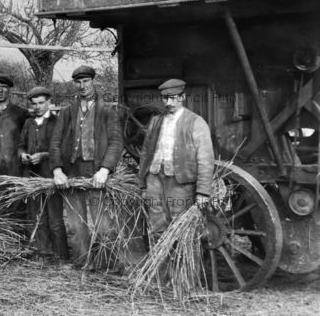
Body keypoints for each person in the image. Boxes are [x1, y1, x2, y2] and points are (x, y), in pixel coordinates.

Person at [49, 65, 123, 268]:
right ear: (75, 84)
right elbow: (55, 142)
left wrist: (105, 170)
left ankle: (108, 265)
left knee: (104, 225)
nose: (82, 86)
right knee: (75, 223)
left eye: (86, 81)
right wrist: (57, 170)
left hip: (97, 172)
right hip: (72, 172)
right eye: (78, 82)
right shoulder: (67, 112)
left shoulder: (107, 111)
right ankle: (83, 263)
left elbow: (116, 143)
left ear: (93, 81)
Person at [138, 79, 214, 238]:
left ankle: (182, 262)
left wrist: (203, 192)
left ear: (182, 97)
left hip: (180, 182)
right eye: (166, 98)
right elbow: (145, 153)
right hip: (154, 179)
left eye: (174, 98)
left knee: (182, 226)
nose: (169, 102)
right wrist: (143, 183)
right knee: (156, 223)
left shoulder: (195, 122)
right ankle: (162, 261)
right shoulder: (155, 121)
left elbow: (205, 159)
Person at [19, 86, 69, 264]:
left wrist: (44, 156)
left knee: (55, 218)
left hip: (51, 176)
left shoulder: (57, 122)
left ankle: (61, 256)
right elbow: (21, 145)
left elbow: (63, 150)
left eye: (41, 103)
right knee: (37, 216)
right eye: (34, 104)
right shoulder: (28, 123)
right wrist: (23, 155)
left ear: (49, 102)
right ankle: (43, 253)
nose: (38, 107)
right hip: (32, 177)